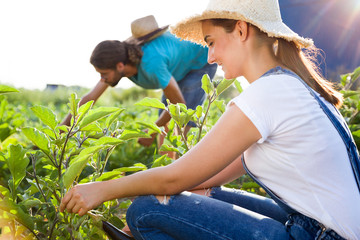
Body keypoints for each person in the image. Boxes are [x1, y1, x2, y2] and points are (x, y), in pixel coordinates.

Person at [60, 0, 360, 239]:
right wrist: (187, 188)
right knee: (203, 191)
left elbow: (176, 176)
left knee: (144, 211)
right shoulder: (289, 86)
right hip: (318, 225)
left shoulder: (266, 95)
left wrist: (100, 188)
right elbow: (214, 170)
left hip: (321, 234)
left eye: (211, 41)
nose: (210, 57)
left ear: (241, 31)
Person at [61, 15, 217, 147]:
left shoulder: (151, 64)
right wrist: (58, 133)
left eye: (103, 74)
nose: (102, 79)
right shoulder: (119, 61)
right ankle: (167, 170)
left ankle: (182, 174)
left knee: (180, 119)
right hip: (177, 67)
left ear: (120, 66)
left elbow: (178, 103)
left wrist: (151, 130)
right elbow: (90, 99)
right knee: (164, 123)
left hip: (200, 61)